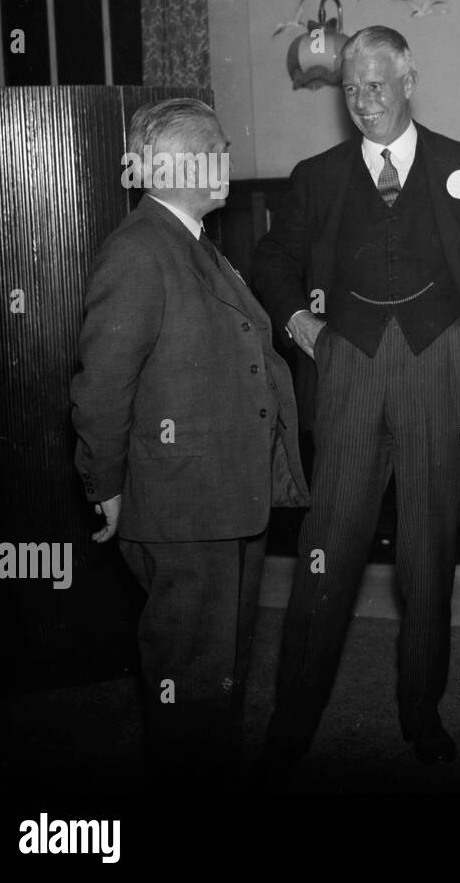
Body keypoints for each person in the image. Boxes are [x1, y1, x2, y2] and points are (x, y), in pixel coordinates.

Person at [251, 25, 460, 771]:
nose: (364, 101)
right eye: (351, 88)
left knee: (429, 560)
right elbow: (271, 258)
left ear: (409, 80)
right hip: (348, 372)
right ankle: (291, 723)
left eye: (377, 84)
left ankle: (422, 714)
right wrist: (300, 322)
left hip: (442, 372)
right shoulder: (316, 175)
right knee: (324, 553)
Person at [71, 98, 309, 786]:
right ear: (169, 164)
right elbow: (100, 389)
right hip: (185, 507)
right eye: (214, 149)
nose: (225, 161)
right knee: (190, 678)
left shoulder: (191, 240)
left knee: (216, 674)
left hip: (223, 500)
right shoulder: (141, 250)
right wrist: (106, 487)